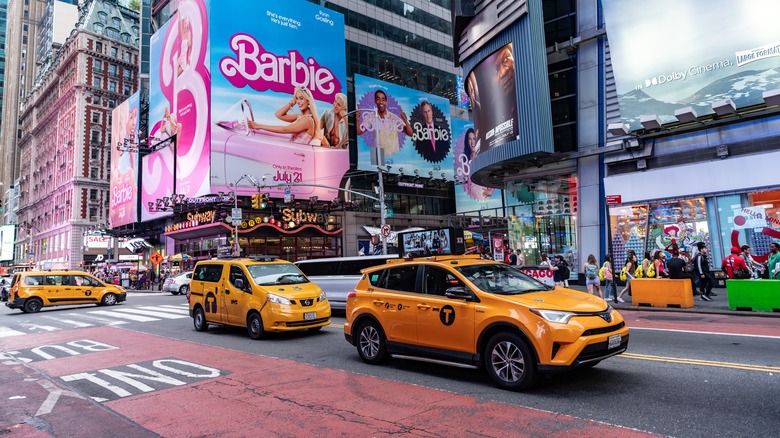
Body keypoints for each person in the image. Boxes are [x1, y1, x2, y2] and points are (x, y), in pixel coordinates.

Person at [247, 86, 322, 145]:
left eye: (301, 98)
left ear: (308, 101)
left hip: (296, 155)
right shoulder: (300, 116)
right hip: (293, 150)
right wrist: (291, 103)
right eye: (297, 99)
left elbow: (284, 129)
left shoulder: (308, 120)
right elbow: (278, 114)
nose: (298, 102)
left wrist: (258, 126)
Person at [356, 90, 413, 156]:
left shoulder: (393, 117)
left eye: (383, 100)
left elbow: (410, 133)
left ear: (386, 102)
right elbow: (359, 132)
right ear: (375, 101)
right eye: (378, 99)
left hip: (394, 156)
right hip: (379, 156)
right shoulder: (371, 116)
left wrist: (405, 120)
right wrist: (357, 119)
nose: (381, 102)